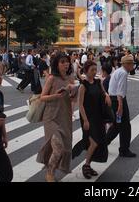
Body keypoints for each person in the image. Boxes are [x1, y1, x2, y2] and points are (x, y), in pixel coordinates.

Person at [37, 53, 76, 182]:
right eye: (62, 62)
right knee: (58, 147)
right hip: (51, 117)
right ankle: (50, 172)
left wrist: (72, 91)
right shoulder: (51, 78)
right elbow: (42, 97)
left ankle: (51, 168)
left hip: (65, 116)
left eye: (67, 62)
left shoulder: (70, 78)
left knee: (63, 148)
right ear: (56, 64)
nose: (66, 64)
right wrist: (56, 96)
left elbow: (74, 98)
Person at [72, 60, 111, 179]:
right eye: (92, 70)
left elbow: (103, 92)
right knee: (93, 143)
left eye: (95, 69)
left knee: (98, 142)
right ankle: (86, 165)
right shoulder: (83, 86)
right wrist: (85, 120)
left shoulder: (98, 82)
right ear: (86, 71)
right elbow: (81, 105)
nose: (94, 72)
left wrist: (107, 96)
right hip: (88, 118)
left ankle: (88, 165)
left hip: (98, 117)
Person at [106, 55, 137, 158]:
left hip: (113, 99)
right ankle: (124, 150)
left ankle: (103, 143)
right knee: (125, 126)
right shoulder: (123, 73)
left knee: (117, 125)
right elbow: (120, 91)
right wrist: (120, 106)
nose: (133, 65)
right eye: (132, 63)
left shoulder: (119, 71)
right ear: (127, 64)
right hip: (118, 100)